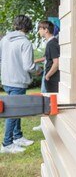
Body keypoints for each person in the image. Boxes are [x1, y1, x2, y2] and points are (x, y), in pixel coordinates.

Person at [0, 15, 40, 153]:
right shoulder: (25, 43)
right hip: (18, 81)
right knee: (13, 112)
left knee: (15, 109)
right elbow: (28, 66)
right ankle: (7, 144)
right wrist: (38, 70)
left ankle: (17, 137)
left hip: (6, 80)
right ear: (28, 27)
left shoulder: (4, 39)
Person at [32, 21, 60, 131]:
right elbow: (47, 58)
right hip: (49, 77)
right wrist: (35, 61)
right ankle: (45, 124)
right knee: (47, 101)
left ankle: (48, 124)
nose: (39, 31)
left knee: (49, 103)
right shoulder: (50, 42)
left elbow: (56, 63)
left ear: (46, 30)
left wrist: (47, 76)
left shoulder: (52, 43)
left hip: (51, 78)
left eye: (40, 29)